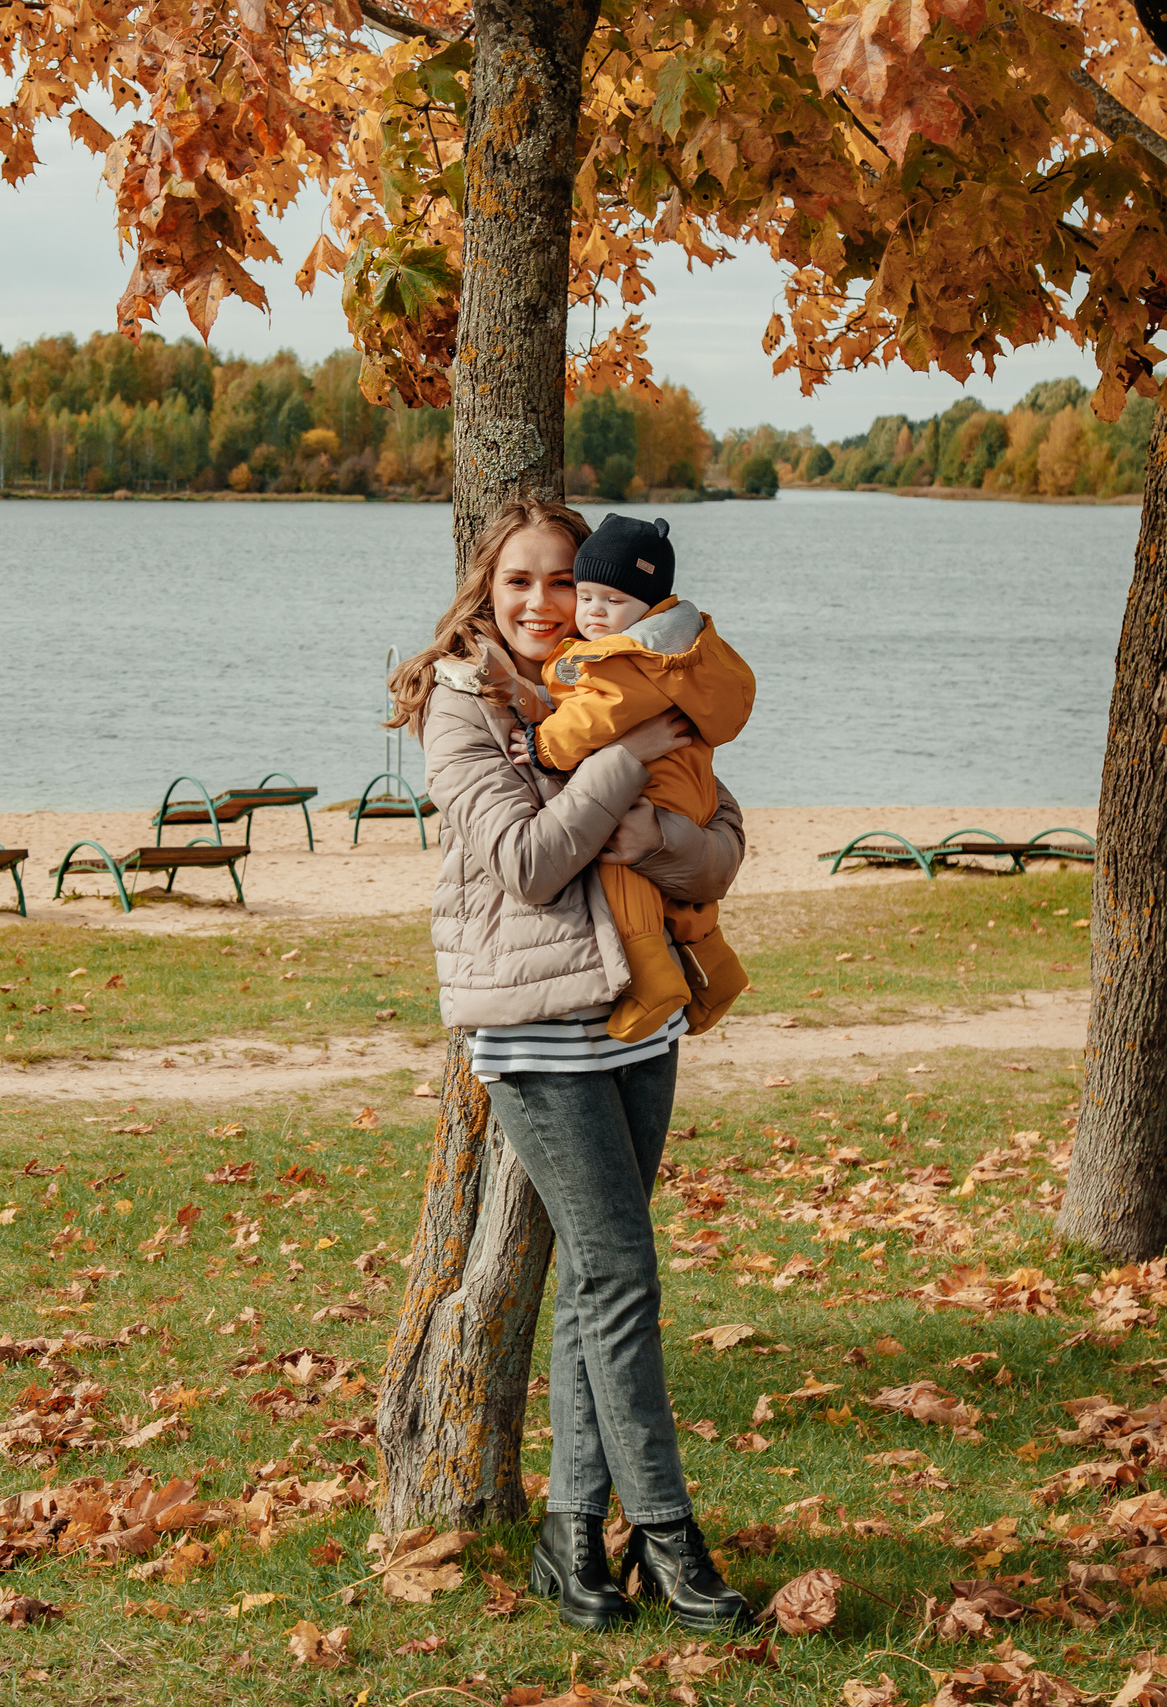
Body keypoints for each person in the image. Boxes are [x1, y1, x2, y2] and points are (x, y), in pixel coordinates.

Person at [386, 496, 758, 1635]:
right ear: (484, 595)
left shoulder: (630, 667)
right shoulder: (462, 709)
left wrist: (665, 838)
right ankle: (666, 1536)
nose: (544, 605)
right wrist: (628, 761)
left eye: (562, 582)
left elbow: (724, 843)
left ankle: (567, 1539)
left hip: (641, 1022)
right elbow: (528, 865)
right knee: (622, 1272)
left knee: (598, 1285)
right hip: (536, 1034)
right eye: (519, 585)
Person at [524, 513, 754, 1042]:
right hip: (691, 785)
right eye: (585, 596)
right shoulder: (685, 649)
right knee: (680, 897)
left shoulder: (632, 656)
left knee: (621, 873)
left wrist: (544, 746)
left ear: (648, 605)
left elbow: (597, 715)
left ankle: (652, 981)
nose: (594, 612)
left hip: (654, 787)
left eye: (613, 600)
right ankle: (716, 973)